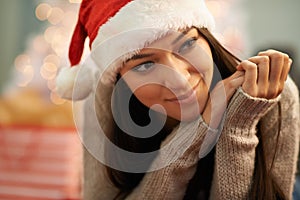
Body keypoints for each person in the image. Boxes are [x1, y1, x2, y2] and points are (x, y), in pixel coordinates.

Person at [56, 0, 300, 199]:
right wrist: (192, 137)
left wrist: (237, 124)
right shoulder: (104, 101)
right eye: (145, 64)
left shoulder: (272, 95)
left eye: (187, 45)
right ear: (119, 76)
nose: (180, 81)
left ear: (207, 38)